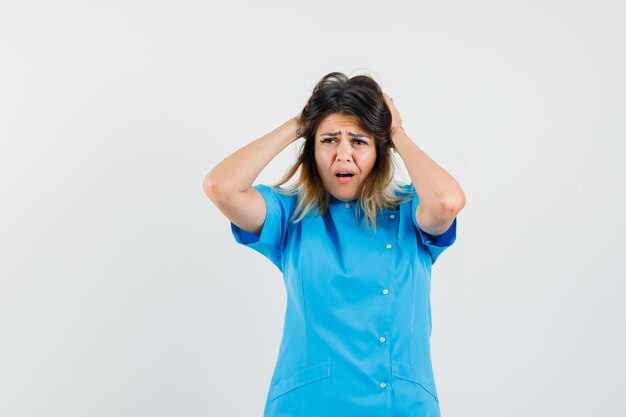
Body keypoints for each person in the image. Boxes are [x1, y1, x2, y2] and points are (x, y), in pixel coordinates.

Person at [202, 72, 466, 417]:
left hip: (399, 405)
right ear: (312, 150)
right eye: (328, 140)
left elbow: (447, 201)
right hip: (307, 406)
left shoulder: (411, 211)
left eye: (359, 141)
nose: (343, 155)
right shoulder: (291, 214)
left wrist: (396, 133)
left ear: (379, 151)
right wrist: (299, 124)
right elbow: (220, 186)